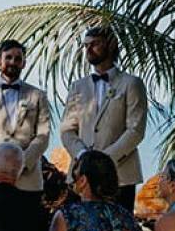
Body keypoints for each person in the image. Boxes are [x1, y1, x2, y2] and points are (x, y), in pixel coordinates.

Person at [59, 25, 148, 212]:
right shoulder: (77, 86)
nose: (89, 49)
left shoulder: (131, 83)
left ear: (111, 45)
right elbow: (67, 129)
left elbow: (136, 130)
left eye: (95, 44)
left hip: (120, 175)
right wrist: (83, 155)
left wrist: (103, 160)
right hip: (80, 175)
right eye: (86, 45)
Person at [0, 39, 51, 195]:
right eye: (8, 57)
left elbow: (43, 135)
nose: (13, 62)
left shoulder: (38, 95)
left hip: (28, 179)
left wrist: (21, 163)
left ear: (23, 63)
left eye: (18, 59)